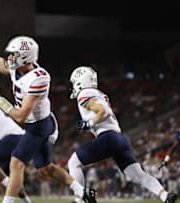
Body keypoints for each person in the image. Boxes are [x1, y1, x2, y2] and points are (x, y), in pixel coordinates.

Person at [0, 14, 96, 203]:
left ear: (25, 57)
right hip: (35, 124)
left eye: (14, 54)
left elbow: (21, 116)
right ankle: (83, 192)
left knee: (16, 163)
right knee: (46, 168)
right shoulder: (17, 69)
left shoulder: (38, 78)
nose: (10, 57)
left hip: (39, 125)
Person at [67, 66, 178, 203]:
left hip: (108, 137)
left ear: (80, 81)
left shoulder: (85, 93)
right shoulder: (97, 93)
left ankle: (80, 200)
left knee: (73, 162)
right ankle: (164, 195)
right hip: (120, 139)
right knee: (137, 175)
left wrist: (88, 124)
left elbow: (103, 111)